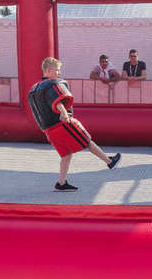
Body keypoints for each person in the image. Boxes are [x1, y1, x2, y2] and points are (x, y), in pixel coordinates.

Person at [29, 57, 122, 191]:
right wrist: (64, 113)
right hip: (61, 123)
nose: (60, 73)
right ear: (49, 71)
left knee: (66, 155)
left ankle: (61, 182)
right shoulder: (51, 84)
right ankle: (110, 162)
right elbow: (56, 99)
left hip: (49, 129)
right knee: (87, 140)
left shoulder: (34, 89)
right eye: (57, 70)